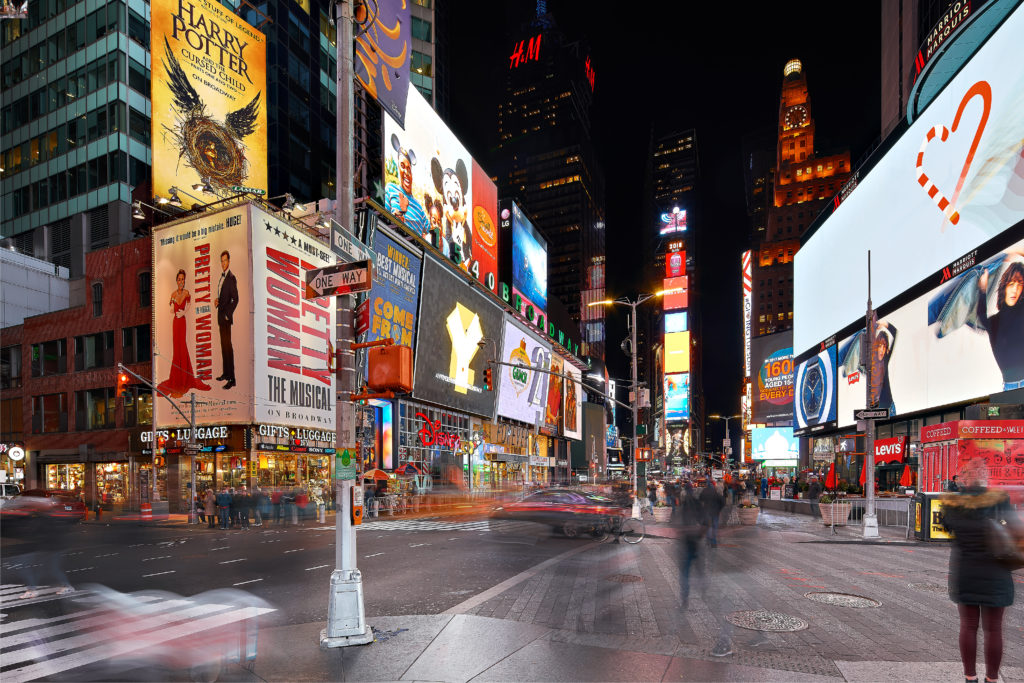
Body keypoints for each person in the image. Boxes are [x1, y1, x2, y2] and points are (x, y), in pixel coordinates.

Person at [940, 460, 1022, 683]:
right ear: (985, 476)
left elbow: (946, 526)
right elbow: (1015, 529)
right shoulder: (999, 500)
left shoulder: (953, 502)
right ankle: (992, 679)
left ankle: (970, 677)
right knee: (994, 630)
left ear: (964, 478)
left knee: (968, 626)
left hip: (966, 571)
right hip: (996, 571)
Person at [157, 269, 211, 397]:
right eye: (179, 279)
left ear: (184, 281)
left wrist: (183, 312)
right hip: (175, 322)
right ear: (176, 281)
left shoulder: (187, 293)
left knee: (182, 345)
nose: (181, 281)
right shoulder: (173, 294)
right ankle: (177, 377)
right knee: (177, 347)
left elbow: (188, 306)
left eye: (182, 279)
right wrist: (174, 304)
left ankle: (185, 377)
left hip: (182, 321)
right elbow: (171, 310)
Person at [977, 262, 1024, 391]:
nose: (1015, 289)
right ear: (1005, 286)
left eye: (1020, 284)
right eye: (1012, 284)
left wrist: (1011, 252)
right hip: (1008, 388)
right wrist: (982, 288)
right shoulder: (994, 322)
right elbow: (980, 315)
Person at [384, 135, 430, 234]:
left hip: (413, 249)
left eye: (408, 168)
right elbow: (383, 218)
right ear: (398, 167)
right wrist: (402, 210)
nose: (406, 172)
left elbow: (431, 231)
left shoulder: (420, 209)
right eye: (402, 166)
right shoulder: (390, 188)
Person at [214, 251, 239, 390]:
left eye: (225, 260)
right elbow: (224, 296)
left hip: (225, 318)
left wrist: (227, 314)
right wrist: (217, 301)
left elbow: (236, 299)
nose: (223, 263)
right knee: (223, 346)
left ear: (229, 261)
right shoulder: (222, 277)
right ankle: (225, 372)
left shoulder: (231, 278)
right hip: (220, 316)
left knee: (228, 347)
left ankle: (232, 378)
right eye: (221, 261)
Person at [701, 478, 725, 547]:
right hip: (715, 512)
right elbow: (723, 502)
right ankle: (713, 541)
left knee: (709, 526)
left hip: (707, 511)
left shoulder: (705, 491)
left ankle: (708, 539)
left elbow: (700, 498)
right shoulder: (716, 493)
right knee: (715, 526)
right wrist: (719, 509)